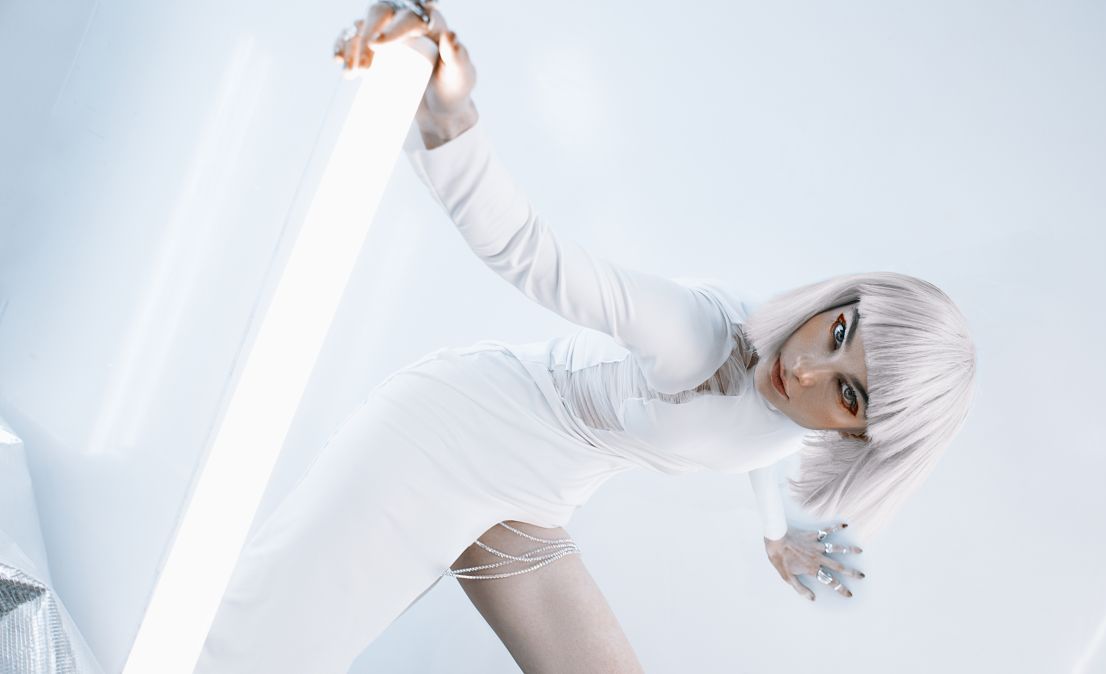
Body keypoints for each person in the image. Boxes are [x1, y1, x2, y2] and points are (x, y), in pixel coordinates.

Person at [195, 2, 977, 672]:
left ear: (859, 437)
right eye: (838, 330)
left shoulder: (789, 419)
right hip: (445, 440)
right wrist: (450, 115)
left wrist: (775, 538)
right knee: (254, 654)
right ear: (838, 300)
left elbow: (762, 451)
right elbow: (528, 252)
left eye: (848, 392)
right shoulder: (701, 337)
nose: (804, 368)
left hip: (525, 505)